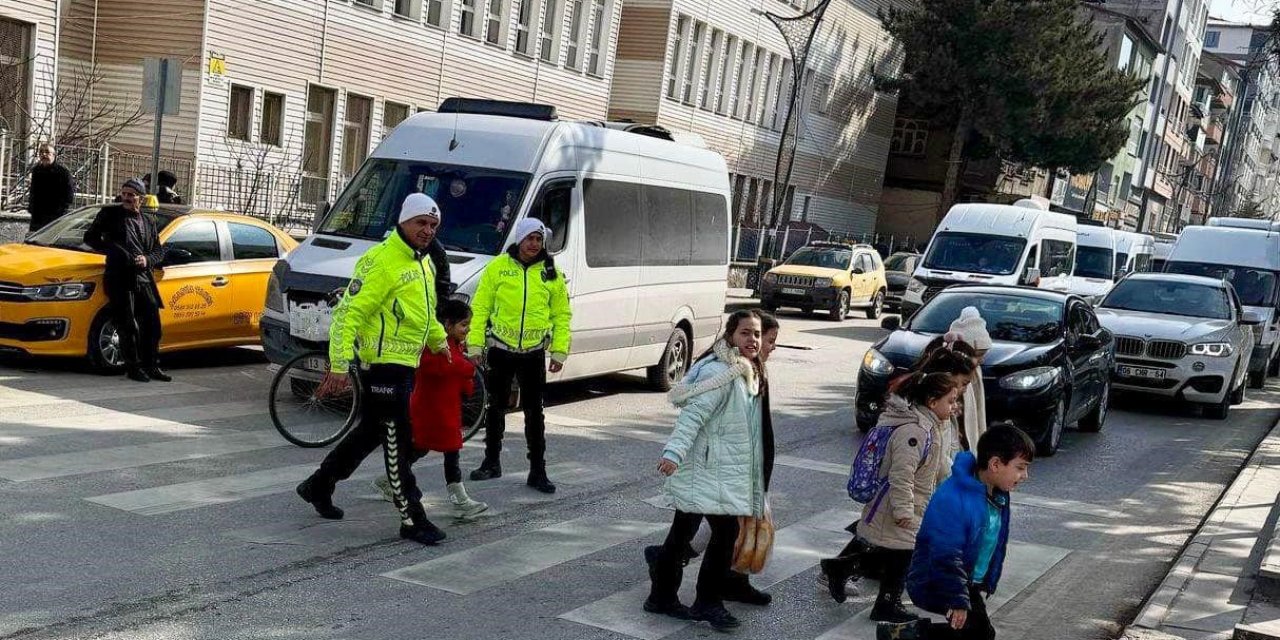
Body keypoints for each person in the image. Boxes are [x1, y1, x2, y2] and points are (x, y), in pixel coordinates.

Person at [295, 193, 452, 546]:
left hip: (404, 364)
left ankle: (318, 486)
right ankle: (412, 517)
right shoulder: (381, 261)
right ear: (403, 221)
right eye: (420, 223)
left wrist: (440, 343)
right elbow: (348, 315)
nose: (427, 230)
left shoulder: (422, 262)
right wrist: (338, 364)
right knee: (398, 439)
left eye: (433, 225)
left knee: (370, 433)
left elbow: (424, 314)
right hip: (381, 368)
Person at [820, 339, 978, 601]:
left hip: (912, 496)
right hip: (902, 496)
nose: (959, 395)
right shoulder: (916, 424)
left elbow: (936, 457)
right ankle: (858, 580)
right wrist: (909, 504)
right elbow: (904, 470)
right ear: (940, 384)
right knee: (897, 547)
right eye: (958, 387)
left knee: (893, 546)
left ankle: (852, 574)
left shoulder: (931, 415)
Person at [645, 310, 766, 632]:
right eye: (745, 333)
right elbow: (692, 417)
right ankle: (707, 601)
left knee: (682, 533)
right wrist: (673, 453)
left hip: (712, 469)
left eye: (756, 333)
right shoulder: (721, 374)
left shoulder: (742, 371)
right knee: (725, 533)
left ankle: (661, 597)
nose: (752, 339)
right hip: (704, 469)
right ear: (730, 336)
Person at [877, 425, 1035, 640]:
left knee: (973, 632)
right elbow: (945, 554)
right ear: (995, 464)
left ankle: (901, 634)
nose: (1025, 475)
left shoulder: (997, 493)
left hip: (965, 580)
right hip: (938, 579)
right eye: (1020, 467)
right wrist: (957, 600)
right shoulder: (953, 498)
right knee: (980, 633)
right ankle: (903, 635)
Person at [467, 218, 572, 494]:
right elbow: (480, 308)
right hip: (501, 350)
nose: (534, 245)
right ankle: (491, 462)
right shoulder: (498, 268)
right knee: (495, 408)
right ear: (519, 239)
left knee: (534, 413)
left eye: (538, 240)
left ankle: (538, 470)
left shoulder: (550, 272)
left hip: (533, 353)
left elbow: (561, 314)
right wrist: (474, 346)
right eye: (529, 239)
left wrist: (559, 350)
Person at [849, 372, 962, 623]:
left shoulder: (928, 425)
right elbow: (902, 475)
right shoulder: (915, 432)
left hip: (910, 504)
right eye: (950, 401)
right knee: (900, 557)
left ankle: (846, 572)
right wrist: (903, 511)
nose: (955, 407)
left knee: (892, 555)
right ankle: (886, 603)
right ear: (932, 402)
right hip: (896, 506)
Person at [372, 298, 489, 519]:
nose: (468, 329)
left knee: (424, 448)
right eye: (463, 324)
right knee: (443, 450)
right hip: (432, 410)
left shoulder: (451, 344)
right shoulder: (434, 345)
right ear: (447, 324)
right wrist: (469, 371)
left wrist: (467, 382)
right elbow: (448, 366)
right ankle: (459, 499)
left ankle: (389, 479)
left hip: (442, 409)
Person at [84, 178, 168, 383]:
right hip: (119, 277)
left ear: (141, 198)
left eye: (132, 195)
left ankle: (152, 365)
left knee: (152, 325)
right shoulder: (110, 215)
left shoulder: (148, 221)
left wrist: (147, 259)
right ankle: (133, 367)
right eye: (125, 194)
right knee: (128, 325)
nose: (127, 198)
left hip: (144, 278)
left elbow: (158, 250)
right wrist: (116, 252)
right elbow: (91, 238)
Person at [947, 307, 992, 450]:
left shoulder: (975, 371)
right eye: (978, 355)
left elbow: (978, 412)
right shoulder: (953, 373)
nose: (981, 360)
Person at [27, 142, 75, 233]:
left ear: (54, 155)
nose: (43, 154)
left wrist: (59, 211)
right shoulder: (36, 171)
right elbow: (33, 191)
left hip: (55, 218)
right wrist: (31, 208)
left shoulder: (63, 173)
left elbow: (69, 196)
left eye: (47, 152)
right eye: (41, 152)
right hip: (37, 217)